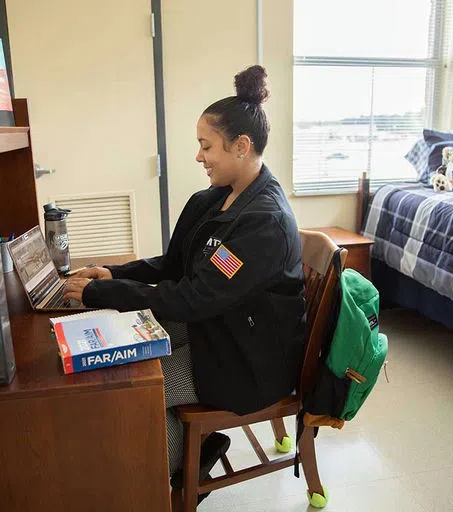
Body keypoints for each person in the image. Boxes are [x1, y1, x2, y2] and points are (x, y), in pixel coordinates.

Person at [63, 65, 305, 497]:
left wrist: (103, 292)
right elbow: (173, 266)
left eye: (205, 145)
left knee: (139, 394)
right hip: (219, 329)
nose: (198, 156)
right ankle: (195, 452)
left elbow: (194, 297)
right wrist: (114, 274)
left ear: (241, 146)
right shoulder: (214, 199)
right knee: (125, 364)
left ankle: (178, 478)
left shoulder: (263, 222)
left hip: (246, 363)